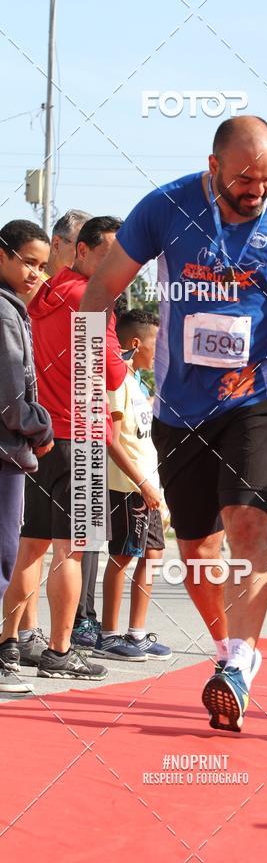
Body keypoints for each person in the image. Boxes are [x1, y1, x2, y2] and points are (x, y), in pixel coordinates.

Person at [80, 116, 267, 732]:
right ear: (212, 165)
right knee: (198, 551)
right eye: (243, 180)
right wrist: (80, 376)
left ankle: (237, 663)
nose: (257, 191)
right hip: (180, 410)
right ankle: (230, 650)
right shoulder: (166, 207)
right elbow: (101, 289)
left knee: (246, 519)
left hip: (261, 398)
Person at [0, 216, 126, 681]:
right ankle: (59, 651)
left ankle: (9, 644)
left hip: (40, 438)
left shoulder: (38, 298)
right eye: (109, 253)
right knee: (71, 552)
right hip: (83, 439)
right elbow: (112, 375)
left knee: (29, 547)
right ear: (83, 252)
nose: (119, 263)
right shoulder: (92, 301)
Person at [95, 309, 172, 660]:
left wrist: (156, 487)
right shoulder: (117, 381)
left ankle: (136, 632)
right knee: (123, 556)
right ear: (136, 342)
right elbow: (110, 440)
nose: (161, 349)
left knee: (153, 555)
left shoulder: (139, 383)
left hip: (148, 487)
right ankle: (109, 636)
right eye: (157, 341)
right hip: (128, 487)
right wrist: (142, 482)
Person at [0, 221, 54, 693]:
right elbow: (12, 398)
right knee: (3, 555)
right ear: (3, 255)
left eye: (42, 266)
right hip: (6, 451)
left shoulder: (15, 309)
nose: (36, 273)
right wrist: (41, 427)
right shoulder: (5, 312)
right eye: (29, 262)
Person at [19, 209, 92, 307]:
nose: (86, 256)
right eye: (81, 248)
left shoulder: (85, 287)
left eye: (92, 249)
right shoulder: (32, 283)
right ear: (56, 245)